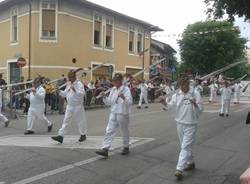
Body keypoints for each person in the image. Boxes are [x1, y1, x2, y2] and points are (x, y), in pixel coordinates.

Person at [160, 77, 203, 180]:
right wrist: (164, 103)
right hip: (179, 123)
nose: (183, 87)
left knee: (185, 146)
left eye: (185, 84)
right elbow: (171, 107)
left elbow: (201, 110)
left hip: (191, 124)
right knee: (184, 146)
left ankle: (179, 169)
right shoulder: (177, 94)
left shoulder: (195, 94)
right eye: (181, 85)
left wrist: (195, 104)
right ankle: (191, 162)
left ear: (188, 84)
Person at [95, 73, 133, 158]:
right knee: (109, 130)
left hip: (122, 113)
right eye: (114, 81)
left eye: (117, 81)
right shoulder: (113, 89)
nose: (115, 82)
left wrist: (123, 97)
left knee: (124, 130)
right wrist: (104, 97)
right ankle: (105, 149)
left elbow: (130, 103)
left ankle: (126, 146)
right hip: (113, 112)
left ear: (121, 81)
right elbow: (110, 102)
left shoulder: (126, 89)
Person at [51, 70, 87, 144]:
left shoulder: (79, 84)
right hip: (69, 105)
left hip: (78, 106)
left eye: (71, 77)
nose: (69, 79)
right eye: (69, 77)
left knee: (80, 121)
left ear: (74, 76)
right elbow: (65, 94)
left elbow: (82, 94)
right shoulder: (69, 84)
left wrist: (75, 89)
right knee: (66, 121)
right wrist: (59, 92)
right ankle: (61, 136)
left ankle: (83, 134)